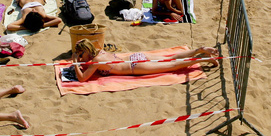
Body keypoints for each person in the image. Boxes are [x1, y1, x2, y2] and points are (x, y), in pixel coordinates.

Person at [72, 39, 217, 81]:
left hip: (135, 66)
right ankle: (199, 49)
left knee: (172, 66)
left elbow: (83, 78)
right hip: (136, 57)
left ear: (86, 52)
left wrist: (75, 63)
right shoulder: (100, 51)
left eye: (81, 55)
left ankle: (201, 58)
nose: (81, 58)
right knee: (171, 57)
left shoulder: (97, 61)